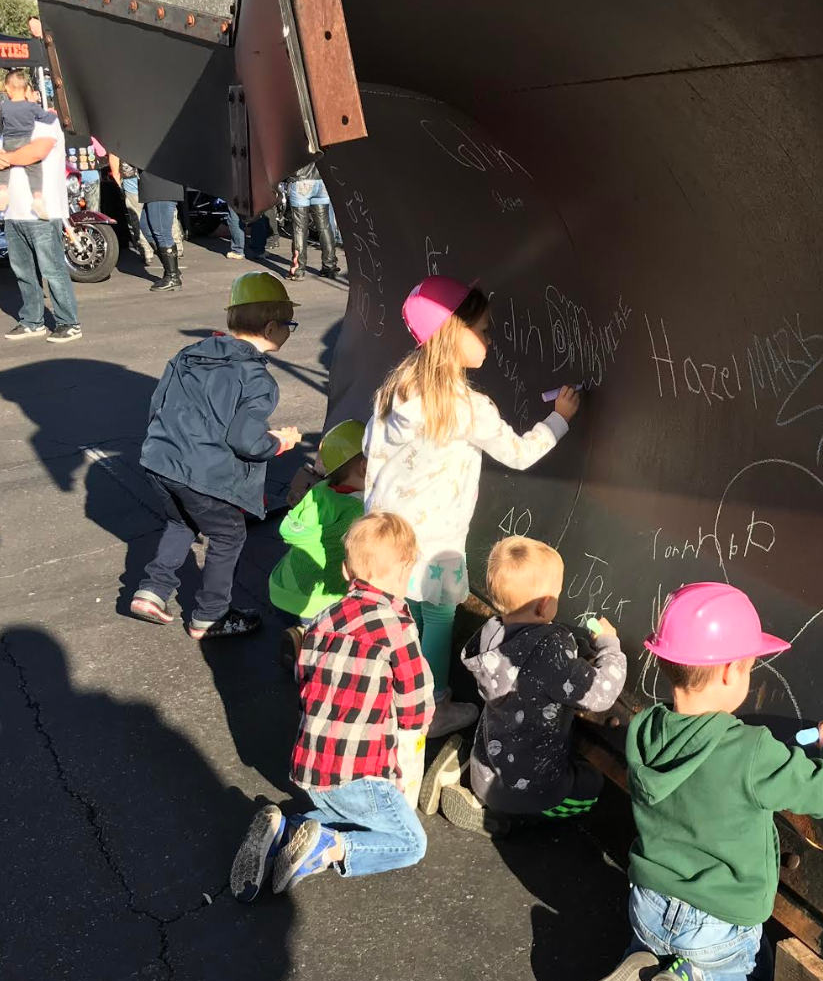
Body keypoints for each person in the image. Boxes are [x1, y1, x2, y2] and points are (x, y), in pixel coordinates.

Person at [573, 583, 823, 981]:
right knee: (761, 975)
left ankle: (640, 964)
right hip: (715, 927)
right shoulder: (751, 752)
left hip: (647, 907)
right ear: (731, 671)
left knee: (656, 941)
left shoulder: (644, 730)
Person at [364, 276, 581, 715]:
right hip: (438, 536)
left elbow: (372, 448)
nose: (490, 339)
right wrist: (560, 419)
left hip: (392, 531)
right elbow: (518, 453)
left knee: (413, 608)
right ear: (452, 334)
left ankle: (404, 685)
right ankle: (432, 703)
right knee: (440, 615)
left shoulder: (398, 388)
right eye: (483, 330)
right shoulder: (466, 406)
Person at [229, 511, 434, 901]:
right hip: (360, 773)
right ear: (406, 574)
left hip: (308, 766)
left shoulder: (324, 618)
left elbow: (304, 677)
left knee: (348, 814)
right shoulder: (397, 627)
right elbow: (416, 702)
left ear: (345, 571)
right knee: (409, 842)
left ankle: (285, 831)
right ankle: (330, 848)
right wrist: (412, 731)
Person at [129, 272, 302, 639]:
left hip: (160, 459)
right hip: (203, 473)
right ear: (272, 328)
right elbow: (245, 439)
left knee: (180, 522)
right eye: (290, 325)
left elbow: (158, 404)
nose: (290, 331)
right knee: (229, 536)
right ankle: (211, 614)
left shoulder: (190, 355)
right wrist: (279, 443)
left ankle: (152, 590)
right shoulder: (257, 379)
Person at [422, 535, 627, 831]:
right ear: (544, 606)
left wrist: (572, 647)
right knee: (589, 789)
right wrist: (610, 647)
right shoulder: (548, 653)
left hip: (489, 765)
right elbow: (600, 694)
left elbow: (537, 661)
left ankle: (464, 776)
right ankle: (495, 820)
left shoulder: (490, 636)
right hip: (528, 789)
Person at [268, 418, 368, 670]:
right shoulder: (357, 510)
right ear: (365, 468)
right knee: (330, 641)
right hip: (317, 597)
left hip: (282, 586)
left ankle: (303, 631)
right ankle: (306, 651)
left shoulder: (319, 490)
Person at [0, 71, 82, 344]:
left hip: (43, 211)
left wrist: (8, 158)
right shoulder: (8, 126)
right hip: (14, 212)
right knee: (23, 271)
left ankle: (69, 322)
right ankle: (32, 320)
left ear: (32, 94)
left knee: (52, 269)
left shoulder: (46, 123)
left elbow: (37, 152)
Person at [0, 80, 58, 219]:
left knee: (34, 167)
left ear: (35, 95)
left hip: (38, 221)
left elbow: (35, 153)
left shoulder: (44, 124)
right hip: (11, 215)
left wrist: (5, 158)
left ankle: (37, 199)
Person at [286, 158, 338, 280]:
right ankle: (330, 266)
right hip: (320, 180)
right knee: (324, 226)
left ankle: (298, 268)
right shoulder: (320, 138)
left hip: (300, 180)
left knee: (300, 228)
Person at [140, 168, 185, 292]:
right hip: (151, 186)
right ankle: (171, 268)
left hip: (161, 186)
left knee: (161, 232)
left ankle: (173, 277)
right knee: (146, 227)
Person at [108, 152, 153, 265]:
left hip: (130, 181)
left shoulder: (116, 144)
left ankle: (146, 251)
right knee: (160, 212)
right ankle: (175, 245)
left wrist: (120, 187)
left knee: (136, 216)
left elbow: (115, 172)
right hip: (150, 180)